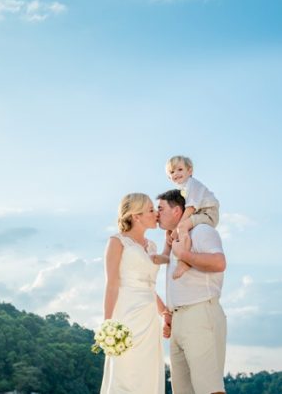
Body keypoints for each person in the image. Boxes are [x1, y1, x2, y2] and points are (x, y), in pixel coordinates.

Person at [157, 189, 227, 394]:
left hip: (200, 315)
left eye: (160, 208)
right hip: (179, 320)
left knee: (209, 388)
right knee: (182, 390)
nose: (156, 213)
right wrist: (168, 313)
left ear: (177, 210)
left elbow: (219, 263)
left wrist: (184, 254)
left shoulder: (202, 231)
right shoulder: (174, 240)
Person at [100, 193, 168, 394]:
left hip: (149, 319)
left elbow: (150, 287)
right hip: (127, 315)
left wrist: (165, 313)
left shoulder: (152, 247)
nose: (156, 214)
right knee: (125, 372)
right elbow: (112, 284)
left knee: (148, 374)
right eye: (150, 210)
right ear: (136, 216)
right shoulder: (117, 242)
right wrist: (107, 324)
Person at [158, 156, 220, 280]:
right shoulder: (182, 189)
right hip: (198, 212)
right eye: (172, 172)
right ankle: (166, 254)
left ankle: (184, 262)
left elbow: (190, 209)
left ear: (190, 171)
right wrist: (171, 230)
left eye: (180, 169)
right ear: (169, 177)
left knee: (182, 226)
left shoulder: (192, 184)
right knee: (179, 227)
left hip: (208, 213)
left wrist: (178, 228)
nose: (176, 174)